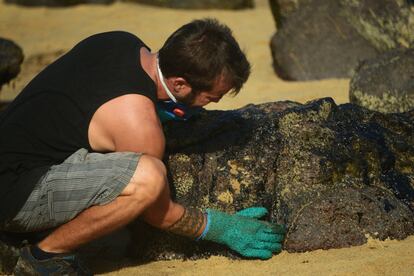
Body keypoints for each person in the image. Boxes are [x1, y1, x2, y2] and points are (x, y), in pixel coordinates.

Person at [0, 18, 285, 275]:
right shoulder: (139, 125)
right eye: (212, 98)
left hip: (14, 155)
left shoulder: (121, 41)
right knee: (147, 180)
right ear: (181, 85)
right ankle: (46, 254)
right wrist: (222, 228)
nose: (211, 105)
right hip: (12, 196)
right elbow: (158, 213)